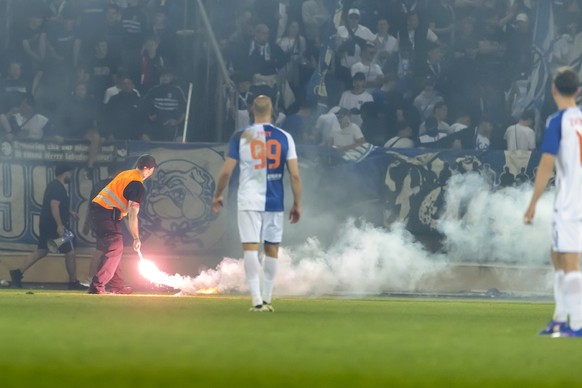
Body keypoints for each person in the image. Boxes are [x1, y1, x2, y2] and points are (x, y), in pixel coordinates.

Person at [211, 95, 302, 312]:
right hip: (274, 200)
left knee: (250, 249)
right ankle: (268, 299)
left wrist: (218, 194)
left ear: (252, 110)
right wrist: (297, 204)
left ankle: (256, 302)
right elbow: (295, 176)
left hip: (249, 200)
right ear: (273, 110)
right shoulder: (285, 137)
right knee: (272, 249)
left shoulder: (240, 136)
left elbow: (226, 171)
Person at [524, 67, 582, 337]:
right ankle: (560, 319)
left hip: (571, 201)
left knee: (570, 262)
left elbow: (546, 164)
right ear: (578, 91)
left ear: (553, 90)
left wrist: (533, 202)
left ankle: (577, 325)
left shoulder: (557, 121)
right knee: (556, 254)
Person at [9, 164, 86, 290]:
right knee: (70, 252)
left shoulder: (54, 185)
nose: (71, 176)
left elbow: (58, 205)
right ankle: (73, 282)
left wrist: (70, 212)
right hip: (54, 226)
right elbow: (54, 205)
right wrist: (60, 225)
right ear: (65, 173)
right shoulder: (58, 187)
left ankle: (17, 273)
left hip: (47, 225)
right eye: (70, 173)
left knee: (42, 250)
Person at [88, 154, 156, 294]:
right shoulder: (137, 184)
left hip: (100, 213)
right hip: (106, 214)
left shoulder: (126, 174)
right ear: (146, 169)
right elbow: (132, 214)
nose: (151, 173)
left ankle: (117, 286)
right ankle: (97, 286)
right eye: (151, 170)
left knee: (114, 250)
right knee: (115, 247)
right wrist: (136, 238)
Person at [81, 164, 123, 287]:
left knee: (105, 251)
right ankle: (94, 280)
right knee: (107, 251)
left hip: (98, 223)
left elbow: (91, 206)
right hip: (110, 223)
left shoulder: (98, 185)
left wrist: (87, 224)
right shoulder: (116, 185)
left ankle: (114, 282)